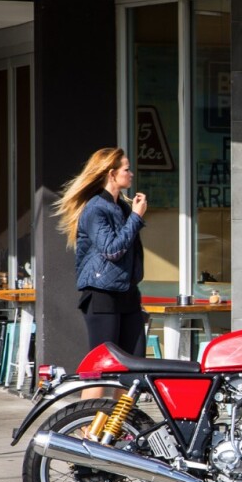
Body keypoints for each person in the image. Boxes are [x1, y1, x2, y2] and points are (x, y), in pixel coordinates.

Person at [53, 148, 149, 374]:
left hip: (127, 294)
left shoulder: (122, 207)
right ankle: (89, 410)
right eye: (126, 169)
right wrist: (136, 217)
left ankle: (122, 411)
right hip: (102, 294)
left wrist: (132, 215)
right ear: (111, 173)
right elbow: (111, 250)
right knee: (100, 368)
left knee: (133, 368)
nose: (131, 173)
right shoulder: (96, 208)